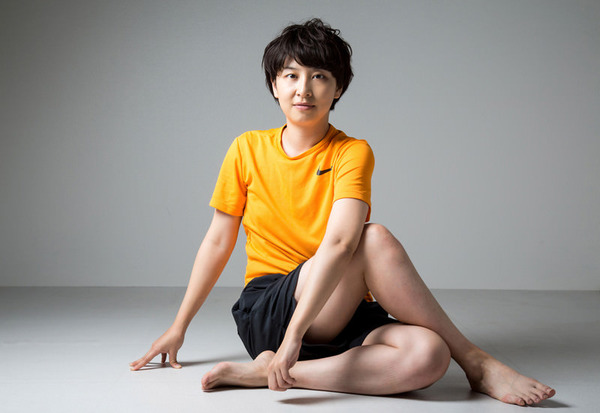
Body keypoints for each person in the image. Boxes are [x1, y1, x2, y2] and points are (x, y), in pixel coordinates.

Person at [130, 18, 555, 406]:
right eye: (291, 75)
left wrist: (293, 346)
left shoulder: (353, 152)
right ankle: (476, 362)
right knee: (375, 238)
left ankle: (272, 373)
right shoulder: (246, 148)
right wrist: (179, 326)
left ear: (338, 89)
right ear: (274, 85)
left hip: (340, 305)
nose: (304, 89)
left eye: (319, 77)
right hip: (272, 311)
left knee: (429, 356)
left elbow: (339, 244)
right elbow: (217, 242)